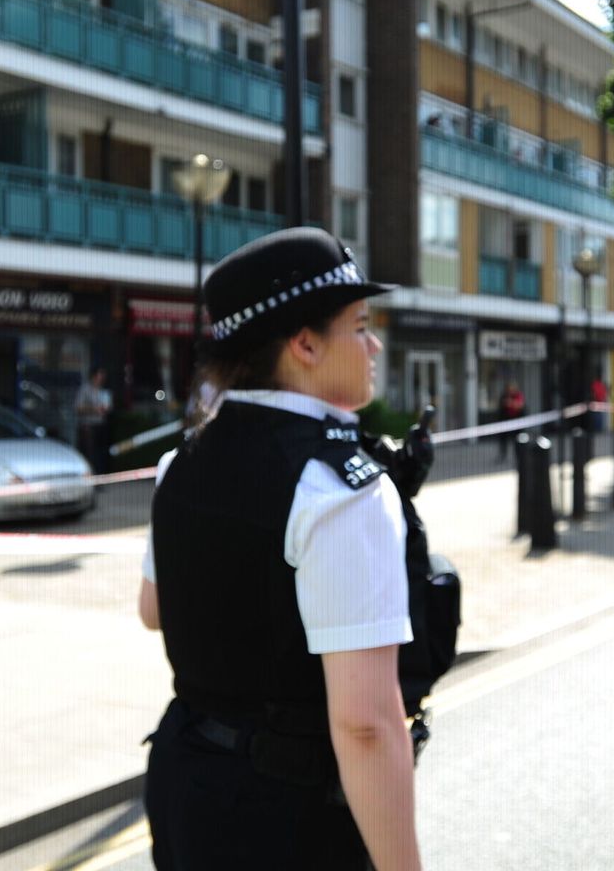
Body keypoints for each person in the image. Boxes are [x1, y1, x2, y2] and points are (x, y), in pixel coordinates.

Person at [136, 228, 445, 871]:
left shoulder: (179, 463)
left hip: (187, 788)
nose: (374, 345)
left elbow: (154, 609)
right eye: (358, 326)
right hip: (291, 818)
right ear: (304, 344)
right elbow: (365, 725)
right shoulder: (338, 492)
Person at [74, 368, 112, 474]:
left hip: (101, 425)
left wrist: (106, 409)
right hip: (88, 426)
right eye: (100, 376)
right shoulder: (85, 390)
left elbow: (108, 407)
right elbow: (78, 407)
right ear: (94, 376)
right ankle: (90, 476)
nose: (102, 379)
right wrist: (94, 409)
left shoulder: (104, 391)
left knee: (100, 453)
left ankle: (100, 475)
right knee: (90, 453)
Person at [495, 381, 525, 460]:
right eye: (509, 389)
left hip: (516, 422)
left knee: (517, 440)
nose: (510, 390)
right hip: (505, 422)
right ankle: (502, 455)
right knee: (503, 439)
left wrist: (511, 403)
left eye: (511, 388)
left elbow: (520, 406)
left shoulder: (518, 395)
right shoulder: (504, 396)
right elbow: (501, 405)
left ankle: (519, 456)